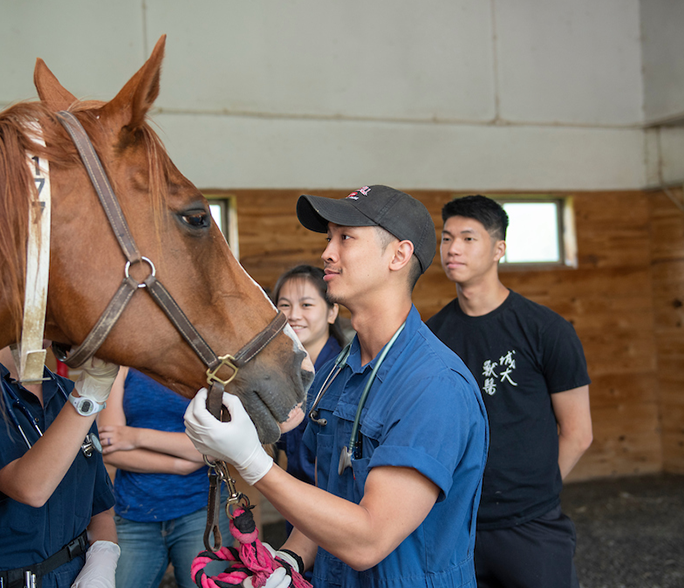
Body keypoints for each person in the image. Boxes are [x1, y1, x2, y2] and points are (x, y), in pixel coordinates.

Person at [184, 185, 489, 588]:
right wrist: (292, 558)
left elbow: (368, 538)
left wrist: (252, 462)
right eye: (329, 238)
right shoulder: (336, 375)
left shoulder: (433, 387)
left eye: (346, 238)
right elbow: (326, 496)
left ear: (398, 255)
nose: (327, 252)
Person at [426, 194, 593, 588]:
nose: (452, 249)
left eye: (468, 238)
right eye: (447, 238)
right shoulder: (434, 338)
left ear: (499, 249)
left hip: (532, 527)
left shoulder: (546, 330)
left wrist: (536, 494)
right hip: (457, 526)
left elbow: (578, 432)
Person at [0, 345, 120, 588]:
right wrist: (88, 397)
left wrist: (103, 560)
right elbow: (31, 488)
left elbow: (99, 509)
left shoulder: (66, 392)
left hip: (75, 575)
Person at [97, 366, 234, 588]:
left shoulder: (208, 364)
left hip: (201, 511)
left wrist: (135, 437)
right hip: (134, 515)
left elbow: (216, 446)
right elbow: (110, 447)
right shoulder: (121, 365)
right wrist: (179, 464)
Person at [270, 265, 345, 491]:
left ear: (332, 312)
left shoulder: (342, 377)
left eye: (306, 305)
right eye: (284, 305)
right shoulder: (279, 373)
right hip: (293, 504)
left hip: (328, 510)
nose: (293, 315)